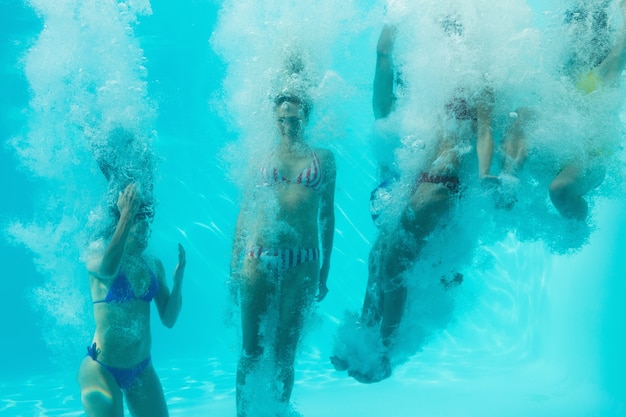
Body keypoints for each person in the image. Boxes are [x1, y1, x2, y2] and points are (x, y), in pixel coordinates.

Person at [333, 21, 494, 384]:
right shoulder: (424, 88)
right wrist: (394, 21)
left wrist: (485, 174)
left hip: (444, 181)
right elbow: (384, 62)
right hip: (415, 182)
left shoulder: (477, 78)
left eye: (455, 32)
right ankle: (364, 340)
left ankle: (383, 351)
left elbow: (485, 132)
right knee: (378, 259)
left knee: (393, 261)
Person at [230, 87, 336, 415]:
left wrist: (325, 269)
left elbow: (327, 215)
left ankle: (277, 411)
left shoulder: (324, 158)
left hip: (303, 260)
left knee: (284, 354)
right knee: (251, 350)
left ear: (306, 117)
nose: (287, 124)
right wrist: (232, 267)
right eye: (281, 119)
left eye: (293, 118)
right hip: (258, 257)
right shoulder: (260, 156)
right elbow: (245, 213)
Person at [502, 0, 626, 221]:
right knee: (521, 114)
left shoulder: (603, 73)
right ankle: (508, 181)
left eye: (578, 33)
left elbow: (621, 47)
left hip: (590, 158)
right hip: (554, 152)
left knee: (560, 190)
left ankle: (575, 231)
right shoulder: (559, 75)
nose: (571, 39)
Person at [78, 183, 186, 417]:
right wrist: (127, 214)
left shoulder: (152, 263)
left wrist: (178, 283)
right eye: (139, 229)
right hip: (102, 369)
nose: (145, 235)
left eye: (147, 230)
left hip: (142, 368)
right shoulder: (96, 253)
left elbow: (168, 319)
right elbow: (108, 270)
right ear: (124, 223)